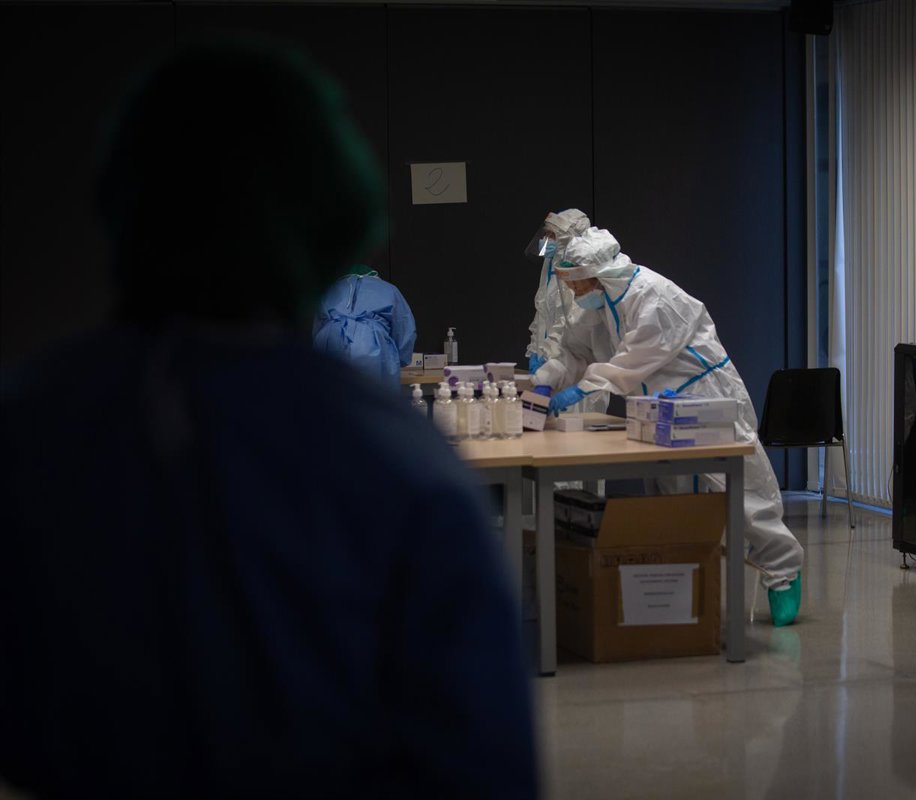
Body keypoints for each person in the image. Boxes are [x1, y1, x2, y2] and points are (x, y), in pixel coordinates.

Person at [0, 39, 537, 797]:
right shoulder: (394, 462)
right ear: (338, 219)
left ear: (119, 208)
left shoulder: (35, 425)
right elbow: (482, 755)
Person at [533, 227, 805, 626]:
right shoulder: (601, 302)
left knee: (745, 491)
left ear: (598, 274)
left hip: (705, 395)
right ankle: (681, 587)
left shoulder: (653, 296)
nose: (574, 292)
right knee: (669, 496)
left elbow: (631, 360)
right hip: (657, 409)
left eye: (577, 284)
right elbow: (577, 348)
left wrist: (582, 388)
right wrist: (551, 374)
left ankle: (783, 570)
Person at [313, 265, 417, 387]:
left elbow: (316, 329)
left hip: (330, 344)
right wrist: (400, 359)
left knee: (328, 395)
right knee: (371, 395)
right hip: (371, 346)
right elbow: (404, 332)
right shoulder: (389, 290)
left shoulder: (329, 290)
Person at [524, 208, 590, 374]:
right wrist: (535, 350)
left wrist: (549, 355)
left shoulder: (578, 274)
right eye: (545, 234)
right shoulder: (549, 267)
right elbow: (541, 314)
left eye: (551, 235)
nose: (545, 240)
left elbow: (569, 323)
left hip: (568, 364)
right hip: (547, 361)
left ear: (567, 239)